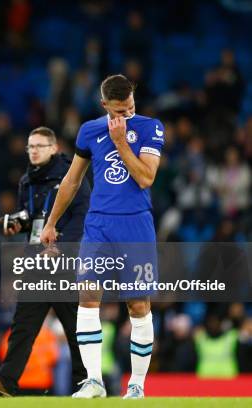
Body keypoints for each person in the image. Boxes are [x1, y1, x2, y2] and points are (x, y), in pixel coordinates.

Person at [41, 74, 164, 399]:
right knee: (87, 297)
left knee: (137, 304)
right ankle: (93, 381)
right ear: (104, 106)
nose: (126, 115)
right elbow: (71, 181)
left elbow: (146, 178)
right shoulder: (90, 130)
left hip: (135, 225)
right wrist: (51, 223)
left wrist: (122, 141)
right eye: (119, 111)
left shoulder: (151, 127)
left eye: (130, 108)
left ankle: (136, 385)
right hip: (98, 225)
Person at [0, 127, 89, 396]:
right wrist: (15, 223)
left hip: (64, 262)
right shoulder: (27, 181)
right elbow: (32, 217)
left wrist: (62, 248)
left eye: (40, 146)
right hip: (37, 262)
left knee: (76, 329)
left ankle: (85, 384)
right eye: (30, 146)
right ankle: (6, 380)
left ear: (54, 148)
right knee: (23, 325)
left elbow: (82, 216)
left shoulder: (72, 175)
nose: (34, 151)